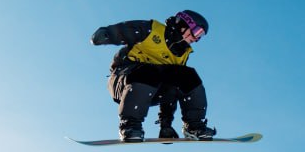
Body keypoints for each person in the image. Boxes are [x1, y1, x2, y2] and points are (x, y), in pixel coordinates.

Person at [90, 10, 216, 142]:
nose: (197, 38)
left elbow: (174, 88)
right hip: (123, 81)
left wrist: (166, 125)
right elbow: (126, 31)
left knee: (187, 75)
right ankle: (130, 126)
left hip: (152, 90)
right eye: (197, 32)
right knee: (149, 71)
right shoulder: (152, 30)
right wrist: (106, 34)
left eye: (201, 35)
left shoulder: (181, 53)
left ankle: (194, 126)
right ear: (183, 24)